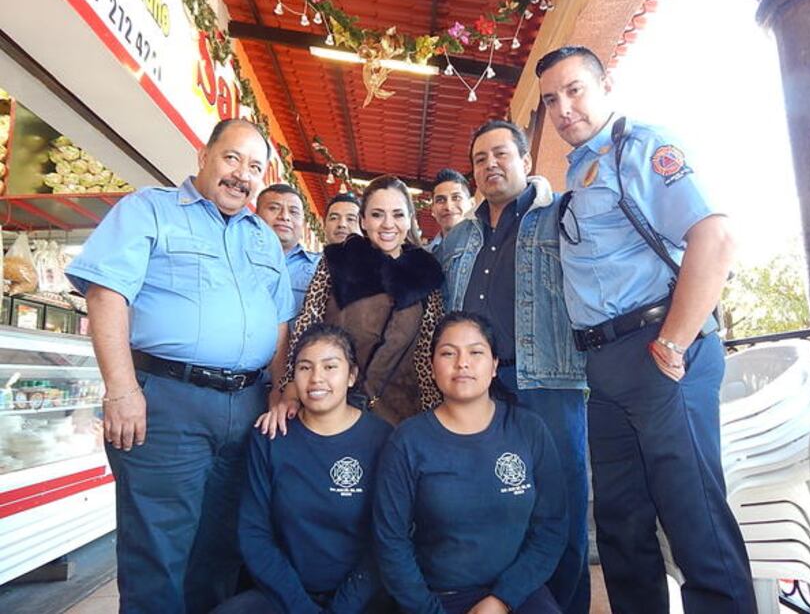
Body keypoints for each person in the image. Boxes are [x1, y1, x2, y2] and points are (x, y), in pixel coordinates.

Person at [536, 45, 755, 613]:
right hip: (605, 366)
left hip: (659, 349)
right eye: (551, 100)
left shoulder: (642, 145)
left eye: (574, 90)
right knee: (621, 524)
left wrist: (674, 341)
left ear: (606, 86)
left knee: (694, 519)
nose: (562, 108)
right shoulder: (577, 169)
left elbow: (716, 236)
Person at [65, 118, 296, 614]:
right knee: (158, 551)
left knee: (220, 550)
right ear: (203, 155)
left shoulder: (263, 239)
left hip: (248, 405)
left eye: (254, 167)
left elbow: (279, 324)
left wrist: (279, 389)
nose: (242, 174)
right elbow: (107, 295)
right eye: (232, 158)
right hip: (167, 402)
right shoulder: (149, 210)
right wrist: (122, 390)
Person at [436, 120, 589, 613]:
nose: (490, 165)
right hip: (476, 389)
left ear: (526, 161)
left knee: (558, 506)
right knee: (487, 506)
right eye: (479, 159)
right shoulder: (458, 237)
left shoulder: (561, 215)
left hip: (547, 382)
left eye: (501, 154)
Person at [373, 311, 568, 614]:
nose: (462, 363)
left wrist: (503, 599)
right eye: (448, 353)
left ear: (493, 366)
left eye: (476, 352)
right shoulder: (408, 440)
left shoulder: (528, 430)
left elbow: (552, 527)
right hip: (435, 597)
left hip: (515, 593)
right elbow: (390, 540)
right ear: (432, 366)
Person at [214, 324, 393, 614]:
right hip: (288, 595)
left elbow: (387, 538)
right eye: (305, 367)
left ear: (351, 376)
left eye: (330, 366)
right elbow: (254, 534)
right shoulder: (271, 436)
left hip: (362, 598)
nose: (316, 378)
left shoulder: (383, 439)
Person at [265, 174, 444, 430]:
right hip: (330, 405)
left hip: (399, 412)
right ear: (363, 220)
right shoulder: (339, 260)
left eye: (398, 214)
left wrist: (431, 418)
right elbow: (307, 324)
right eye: (377, 214)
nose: (388, 224)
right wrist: (290, 391)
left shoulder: (426, 273)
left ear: (410, 220)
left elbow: (427, 352)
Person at [256, 183, 320, 314]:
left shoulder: (321, 268)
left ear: (302, 222)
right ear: (256, 216)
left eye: (293, 212)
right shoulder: (236, 257)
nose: (284, 217)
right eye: (273, 208)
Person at [426, 168, 473, 252]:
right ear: (432, 209)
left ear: (471, 204)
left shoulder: (487, 249)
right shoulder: (424, 257)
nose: (448, 207)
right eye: (440, 200)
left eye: (456, 198)